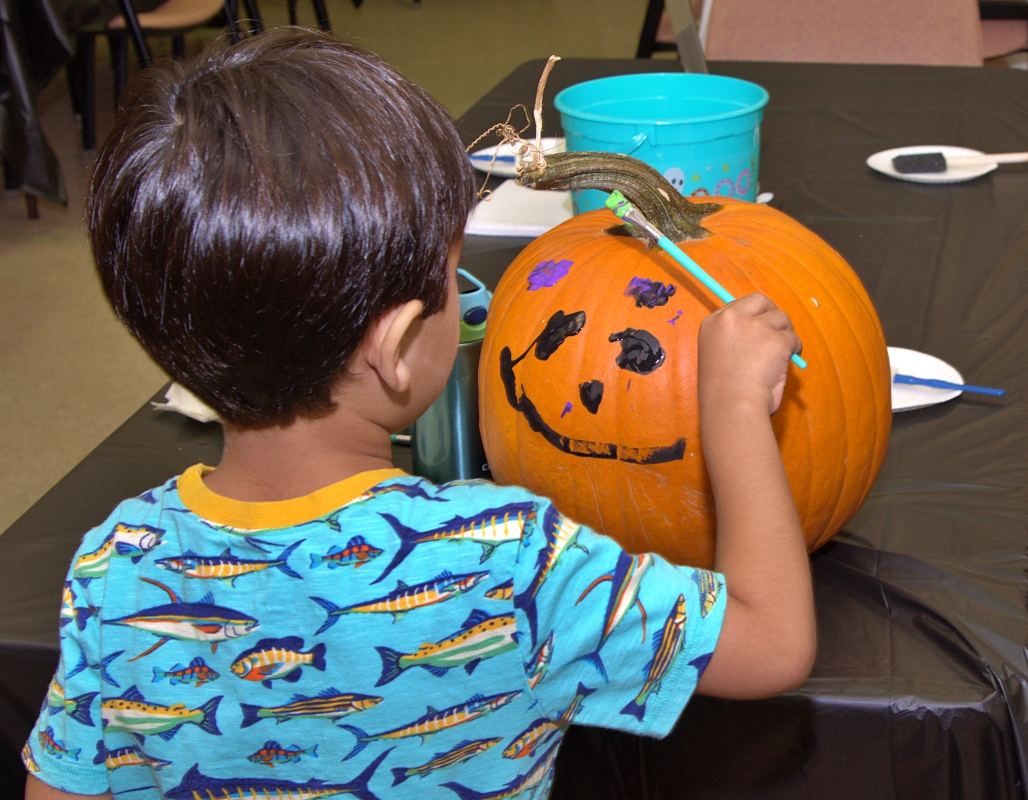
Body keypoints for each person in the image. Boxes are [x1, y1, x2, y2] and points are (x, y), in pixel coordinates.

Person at [25, 28, 815, 800]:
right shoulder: (508, 564)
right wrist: (735, 410)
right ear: (398, 345)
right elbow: (773, 645)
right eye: (450, 275)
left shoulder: (115, 568)